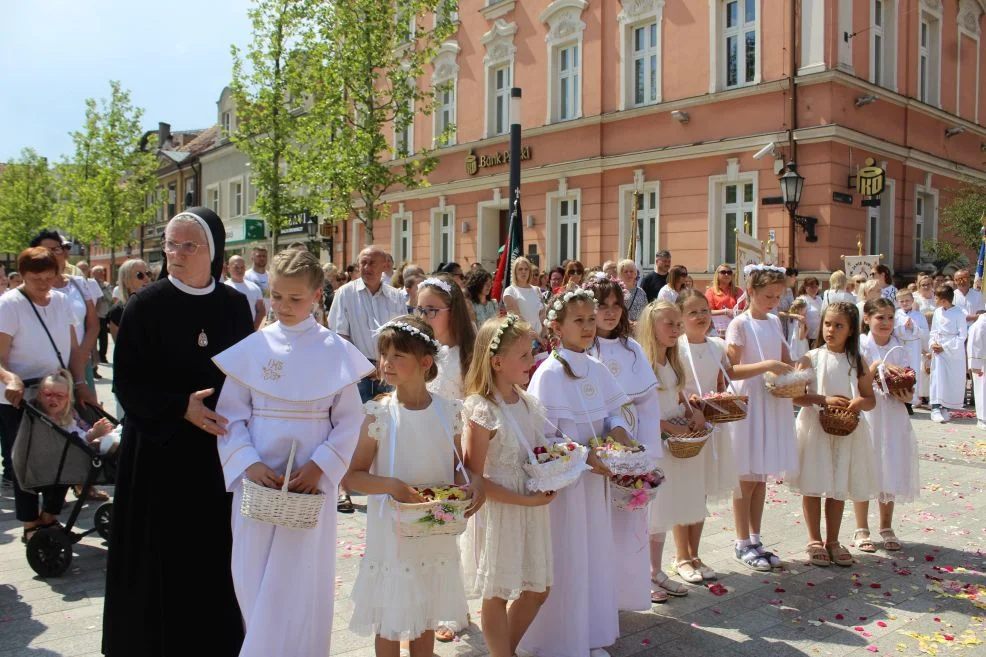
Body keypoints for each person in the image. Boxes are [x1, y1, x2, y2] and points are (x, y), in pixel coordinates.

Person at [102, 208, 254, 657]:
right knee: (160, 562)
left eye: (189, 245)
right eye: (171, 244)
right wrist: (178, 408)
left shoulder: (233, 304)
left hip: (215, 454)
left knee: (211, 559)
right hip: (158, 454)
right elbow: (125, 383)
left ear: (215, 252)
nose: (176, 254)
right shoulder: (144, 305)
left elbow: (247, 375)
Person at [212, 249, 371, 657]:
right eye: (278, 296)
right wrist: (249, 463)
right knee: (252, 574)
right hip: (258, 482)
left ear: (317, 295)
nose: (284, 306)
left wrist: (321, 466)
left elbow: (350, 420)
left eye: (295, 299)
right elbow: (231, 416)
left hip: (309, 487)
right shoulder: (253, 347)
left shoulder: (334, 350)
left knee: (302, 579)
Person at [345, 316, 473, 656]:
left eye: (398, 355)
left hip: (434, 530)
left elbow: (458, 469)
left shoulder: (449, 411)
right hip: (392, 535)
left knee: (426, 616)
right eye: (383, 354)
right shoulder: (379, 414)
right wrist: (391, 485)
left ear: (425, 362)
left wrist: (465, 489)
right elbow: (353, 475)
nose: (386, 363)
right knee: (390, 619)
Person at [521, 287, 632, 657]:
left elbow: (613, 412)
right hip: (567, 486)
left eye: (590, 319)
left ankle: (586, 635)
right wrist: (585, 456)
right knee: (568, 556)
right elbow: (544, 436)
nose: (587, 327)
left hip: (594, 483)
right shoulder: (549, 374)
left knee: (593, 554)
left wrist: (618, 436)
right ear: (557, 326)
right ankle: (559, 640)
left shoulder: (596, 367)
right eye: (578, 321)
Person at [461, 314, 554, 657]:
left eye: (532, 353)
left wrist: (555, 465)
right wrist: (524, 500)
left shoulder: (527, 402)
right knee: (497, 590)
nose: (533, 362)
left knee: (538, 588)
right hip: (501, 509)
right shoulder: (481, 409)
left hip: (531, 504)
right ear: (497, 362)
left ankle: (505, 651)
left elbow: (535, 450)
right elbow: (474, 478)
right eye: (525, 356)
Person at [0, 247, 95, 543]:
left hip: (56, 390)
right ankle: (30, 523)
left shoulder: (63, 301)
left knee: (66, 453)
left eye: (48, 276)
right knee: (23, 461)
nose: (42, 283)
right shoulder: (10, 304)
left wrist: (81, 384)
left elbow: (75, 350)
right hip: (19, 395)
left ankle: (50, 516)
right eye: (34, 278)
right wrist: (10, 378)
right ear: (22, 276)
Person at [587, 278, 662, 607]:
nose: (610, 312)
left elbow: (648, 404)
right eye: (602, 305)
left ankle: (626, 592)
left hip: (630, 450)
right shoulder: (583, 349)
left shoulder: (633, 350)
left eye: (616, 305)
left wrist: (645, 457)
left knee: (626, 523)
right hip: (595, 448)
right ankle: (598, 597)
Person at [789, 302, 876, 567]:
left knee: (838, 485)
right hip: (815, 428)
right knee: (813, 483)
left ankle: (833, 540)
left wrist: (859, 402)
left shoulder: (857, 361)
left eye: (839, 325)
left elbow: (870, 398)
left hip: (846, 429)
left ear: (851, 330)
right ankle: (814, 539)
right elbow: (795, 396)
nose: (831, 330)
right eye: (828, 324)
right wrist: (822, 398)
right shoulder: (810, 358)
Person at [725, 265, 798, 571]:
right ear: (751, 292)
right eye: (768, 295)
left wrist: (797, 368)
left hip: (770, 400)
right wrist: (765, 365)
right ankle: (741, 541)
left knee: (761, 475)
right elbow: (729, 369)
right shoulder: (739, 325)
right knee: (746, 475)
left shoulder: (773, 322)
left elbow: (787, 359)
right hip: (750, 402)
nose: (773, 302)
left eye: (778, 297)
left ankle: (756, 537)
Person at [673, 291, 737, 581]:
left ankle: (695, 552)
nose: (700, 317)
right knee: (684, 489)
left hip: (710, 423)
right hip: (686, 425)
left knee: (701, 491)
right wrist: (689, 402)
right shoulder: (676, 348)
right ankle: (681, 556)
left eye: (704, 310)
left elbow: (723, 380)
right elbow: (673, 388)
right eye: (693, 312)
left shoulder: (717, 346)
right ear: (681, 318)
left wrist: (719, 396)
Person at [856, 298, 920, 553]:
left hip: (893, 413)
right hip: (869, 411)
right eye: (879, 317)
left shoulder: (899, 348)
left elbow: (908, 387)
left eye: (890, 317)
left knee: (890, 463)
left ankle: (886, 524)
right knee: (864, 464)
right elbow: (857, 382)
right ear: (867, 319)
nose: (885, 323)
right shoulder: (860, 346)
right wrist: (876, 366)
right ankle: (861, 527)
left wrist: (905, 395)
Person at [328, 246, 406, 403]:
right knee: (359, 422)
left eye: (372, 263)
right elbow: (339, 335)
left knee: (389, 420)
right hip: (357, 374)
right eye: (363, 263)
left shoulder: (395, 296)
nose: (366, 268)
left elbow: (402, 333)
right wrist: (365, 367)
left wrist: (385, 365)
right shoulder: (345, 294)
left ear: (385, 265)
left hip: (388, 369)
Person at [30, 231, 100, 392]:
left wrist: (81, 355)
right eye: (45, 250)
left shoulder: (79, 283)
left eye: (57, 249)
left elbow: (93, 324)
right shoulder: (34, 288)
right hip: (47, 368)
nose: (52, 254)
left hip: (81, 362)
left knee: (87, 413)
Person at [37, 370, 120, 456]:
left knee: (112, 437)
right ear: (39, 396)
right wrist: (92, 435)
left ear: (67, 399)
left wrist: (96, 432)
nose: (53, 399)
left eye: (59, 396)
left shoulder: (67, 418)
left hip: (81, 448)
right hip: (69, 457)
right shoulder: (40, 421)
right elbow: (68, 445)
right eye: (48, 394)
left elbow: (80, 434)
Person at [929, 285, 968, 424]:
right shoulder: (937, 312)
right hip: (938, 348)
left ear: (944, 300)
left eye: (937, 297)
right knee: (937, 377)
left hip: (951, 350)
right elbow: (934, 330)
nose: (934, 299)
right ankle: (935, 407)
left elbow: (962, 335)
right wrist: (933, 343)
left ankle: (945, 407)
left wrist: (945, 347)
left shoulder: (959, 313)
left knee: (949, 379)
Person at [894, 290, 929, 409]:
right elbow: (893, 330)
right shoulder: (896, 315)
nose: (905, 303)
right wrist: (903, 328)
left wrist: (913, 327)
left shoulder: (919, 315)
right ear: (898, 302)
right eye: (902, 301)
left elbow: (925, 333)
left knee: (913, 372)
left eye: (907, 300)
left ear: (912, 301)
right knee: (900, 372)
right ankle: (899, 399)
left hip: (914, 346)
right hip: (900, 345)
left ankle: (910, 401)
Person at [502, 256, 545, 331]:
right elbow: (517, 319)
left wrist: (542, 335)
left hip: (539, 337)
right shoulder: (510, 291)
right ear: (515, 272)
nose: (523, 272)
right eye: (520, 269)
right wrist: (536, 337)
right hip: (522, 337)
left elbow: (543, 313)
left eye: (526, 269)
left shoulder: (536, 290)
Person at [225, 255, 266, 330]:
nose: (240, 270)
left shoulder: (255, 288)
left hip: (249, 332)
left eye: (242, 267)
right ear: (228, 268)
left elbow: (261, 311)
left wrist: (253, 328)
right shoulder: (223, 288)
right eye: (236, 267)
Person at [706, 264, 742, 336]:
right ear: (717, 275)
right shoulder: (711, 291)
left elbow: (745, 309)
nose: (726, 274)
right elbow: (707, 311)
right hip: (719, 328)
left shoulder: (738, 290)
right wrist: (725, 311)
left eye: (729, 273)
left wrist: (739, 312)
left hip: (737, 326)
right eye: (723, 272)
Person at [91, 265, 114, 366]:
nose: (101, 274)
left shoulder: (106, 285)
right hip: (92, 315)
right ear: (93, 273)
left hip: (103, 315)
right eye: (98, 272)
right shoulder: (89, 284)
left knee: (104, 337)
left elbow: (110, 298)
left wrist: (102, 288)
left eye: (102, 272)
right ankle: (94, 356)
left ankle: (102, 356)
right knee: (93, 338)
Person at [795, 277, 823, 344]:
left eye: (816, 287)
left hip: (819, 335)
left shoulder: (819, 299)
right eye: (811, 287)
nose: (814, 289)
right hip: (808, 336)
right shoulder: (801, 299)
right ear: (806, 287)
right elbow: (798, 319)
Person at [245, 246, 271, 317]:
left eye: (264, 256)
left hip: (268, 318)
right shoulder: (246, 276)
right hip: (252, 317)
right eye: (259, 256)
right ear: (252, 258)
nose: (262, 258)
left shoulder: (271, 276)